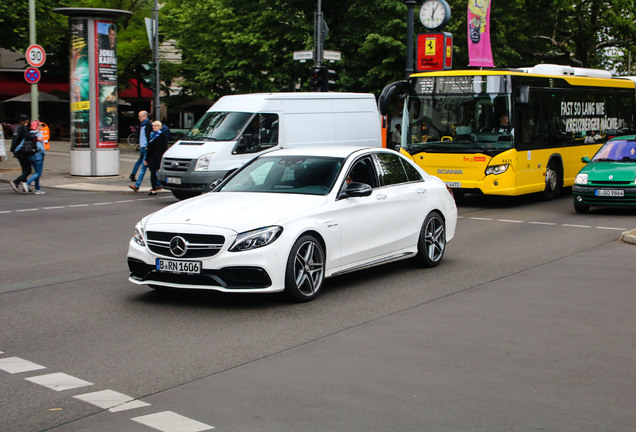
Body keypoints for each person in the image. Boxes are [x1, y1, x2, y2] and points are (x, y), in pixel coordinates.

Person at [144, 121, 168, 196]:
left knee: (159, 172)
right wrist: (146, 159)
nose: (154, 127)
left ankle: (162, 185)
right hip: (152, 157)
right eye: (153, 126)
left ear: (159, 127)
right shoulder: (152, 135)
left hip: (159, 157)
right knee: (153, 172)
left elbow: (164, 148)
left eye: (156, 126)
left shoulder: (162, 135)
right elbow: (149, 148)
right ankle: (153, 188)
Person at [129, 110, 152, 187]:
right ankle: (157, 184)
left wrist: (147, 146)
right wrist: (139, 142)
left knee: (144, 167)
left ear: (145, 116)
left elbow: (149, 137)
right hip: (143, 147)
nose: (139, 118)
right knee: (148, 166)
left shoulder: (149, 125)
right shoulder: (142, 124)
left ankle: (137, 185)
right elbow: (140, 134)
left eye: (140, 116)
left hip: (146, 148)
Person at [9, 114, 31, 193]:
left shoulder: (16, 128)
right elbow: (27, 136)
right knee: (28, 170)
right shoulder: (23, 127)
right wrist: (36, 137)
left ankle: (26, 187)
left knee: (24, 169)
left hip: (16, 150)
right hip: (21, 151)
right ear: (27, 121)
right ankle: (16, 182)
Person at [23, 121, 46, 194]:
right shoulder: (39, 134)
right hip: (38, 155)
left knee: (36, 172)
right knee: (38, 173)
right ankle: (27, 183)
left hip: (30, 155)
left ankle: (37, 188)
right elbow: (40, 147)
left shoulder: (29, 134)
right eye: (39, 125)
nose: (41, 126)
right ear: (36, 126)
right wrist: (43, 153)